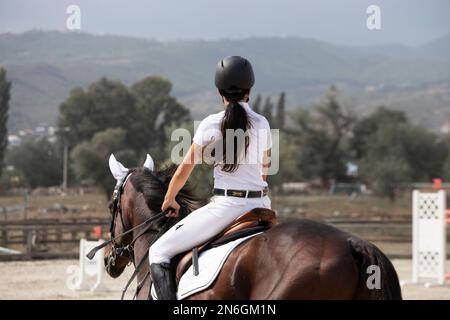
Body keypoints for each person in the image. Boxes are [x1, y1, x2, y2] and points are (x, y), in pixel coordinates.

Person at [149, 56, 273, 300]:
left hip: (226, 208)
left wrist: (170, 198)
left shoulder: (210, 124)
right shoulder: (263, 123)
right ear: (249, 89)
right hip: (262, 207)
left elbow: (185, 168)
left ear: (220, 92)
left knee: (158, 251)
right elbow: (264, 170)